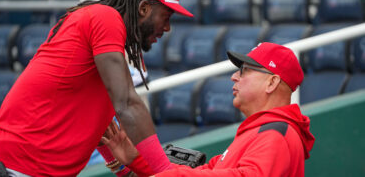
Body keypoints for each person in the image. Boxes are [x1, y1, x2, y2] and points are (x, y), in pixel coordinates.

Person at [0, 0, 192, 176]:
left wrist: (124, 171)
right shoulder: (105, 17)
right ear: (144, 8)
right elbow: (128, 103)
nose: (167, 28)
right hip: (16, 167)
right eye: (166, 17)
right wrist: (167, 172)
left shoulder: (100, 31)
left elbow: (101, 127)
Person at [101, 42, 316, 177]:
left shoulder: (276, 132)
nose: (234, 76)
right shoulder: (261, 131)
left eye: (244, 70)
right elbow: (208, 171)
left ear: (271, 83)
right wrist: (136, 159)